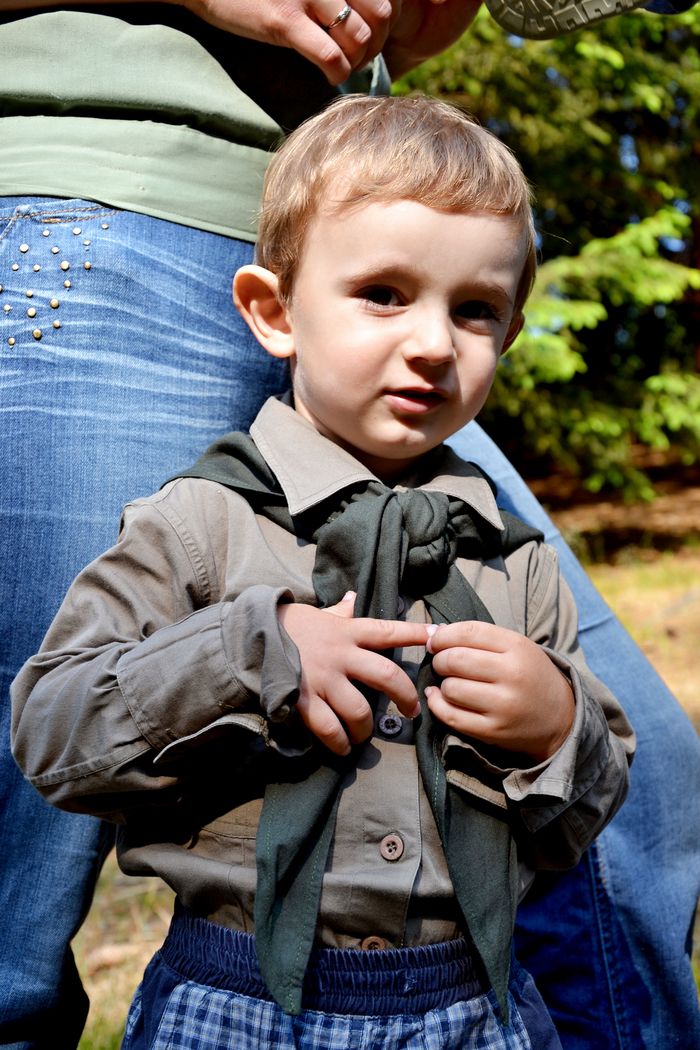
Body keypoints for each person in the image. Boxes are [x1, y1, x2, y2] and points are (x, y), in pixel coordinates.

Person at [1, 3, 698, 1050]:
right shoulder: (196, 527)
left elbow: (584, 802)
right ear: (274, 311)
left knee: (651, 804)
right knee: (16, 902)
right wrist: (249, 654)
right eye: (386, 297)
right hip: (106, 205)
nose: (435, 345)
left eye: (474, 312)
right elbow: (57, 735)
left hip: (468, 1009)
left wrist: (557, 727)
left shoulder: (501, 557)